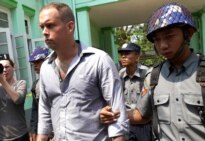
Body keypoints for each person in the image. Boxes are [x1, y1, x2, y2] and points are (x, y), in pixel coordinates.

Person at [100, 2, 205, 141]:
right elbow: (141, 115)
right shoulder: (153, 76)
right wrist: (114, 114)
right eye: (157, 40)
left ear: (188, 34)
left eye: (169, 36)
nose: (163, 45)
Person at [37, 2, 128, 141]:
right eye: (42, 27)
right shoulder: (46, 68)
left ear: (70, 26)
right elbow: (44, 113)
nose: (44, 32)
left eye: (50, 25)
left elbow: (118, 116)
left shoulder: (98, 60)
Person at [118, 42, 151, 141]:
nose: (123, 56)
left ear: (137, 56)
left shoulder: (146, 73)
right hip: (126, 123)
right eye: (122, 53)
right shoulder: (120, 74)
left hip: (143, 125)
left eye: (127, 53)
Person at [0, 54, 29, 140]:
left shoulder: (21, 83)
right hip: (2, 137)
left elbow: (17, 99)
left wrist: (2, 80)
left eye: (7, 67)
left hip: (20, 135)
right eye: (1, 68)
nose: (4, 70)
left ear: (14, 67)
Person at [28, 47, 50, 141]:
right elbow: (35, 109)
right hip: (43, 131)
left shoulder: (59, 79)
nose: (35, 66)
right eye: (33, 64)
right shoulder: (36, 85)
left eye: (38, 62)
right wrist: (33, 129)